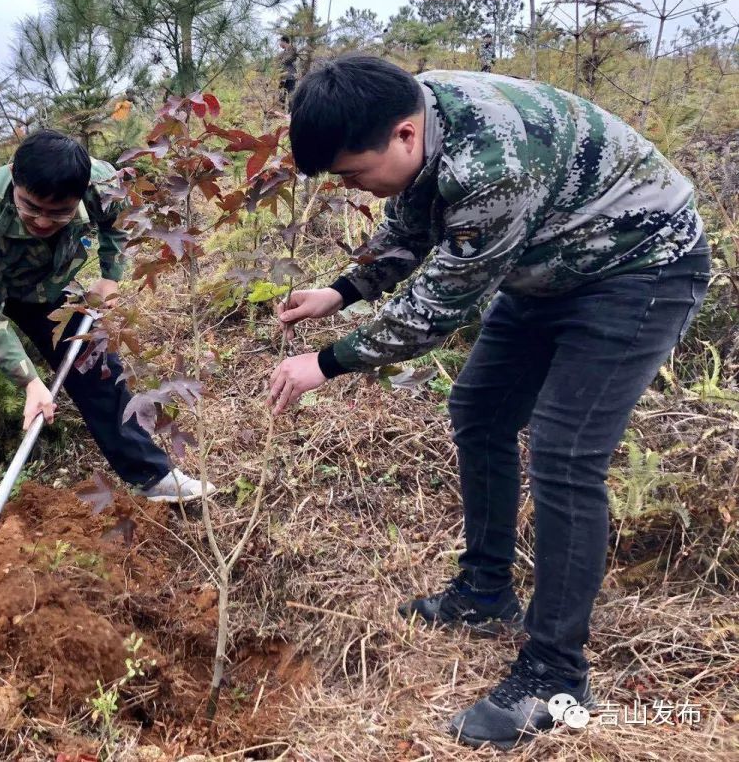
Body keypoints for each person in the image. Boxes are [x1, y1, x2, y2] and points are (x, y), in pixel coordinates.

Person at [268, 55, 709, 749]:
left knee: (566, 454)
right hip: (548, 262)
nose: (353, 187)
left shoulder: (495, 165)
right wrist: (342, 290)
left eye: (353, 173)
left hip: (638, 267)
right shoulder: (420, 112)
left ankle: (554, 677)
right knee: (480, 412)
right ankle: (482, 595)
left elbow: (434, 310)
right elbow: (413, 218)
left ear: (405, 135)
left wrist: (325, 363)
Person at [0, 130, 216, 561]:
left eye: (60, 212)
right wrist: (31, 381)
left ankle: (152, 475)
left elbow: (119, 223)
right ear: (14, 176)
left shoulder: (101, 184)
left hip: (45, 287)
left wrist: (111, 274)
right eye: (32, 207)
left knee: (95, 363)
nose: (44, 221)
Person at [277, 34, 299, 106]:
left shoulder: (293, 49)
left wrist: (281, 61)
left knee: (290, 95)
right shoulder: (282, 52)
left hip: (291, 76)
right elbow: (278, 62)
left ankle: (290, 112)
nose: (279, 44)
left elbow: (288, 60)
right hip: (283, 76)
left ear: (284, 41)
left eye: (280, 42)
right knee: (281, 95)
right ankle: (282, 111)